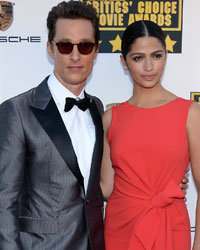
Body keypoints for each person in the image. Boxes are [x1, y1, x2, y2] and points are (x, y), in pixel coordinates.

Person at [0, 1, 105, 250]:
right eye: (66, 45)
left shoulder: (97, 108)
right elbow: (5, 200)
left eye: (85, 45)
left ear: (96, 51)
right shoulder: (17, 110)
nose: (76, 55)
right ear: (50, 48)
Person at [100, 20, 200, 250]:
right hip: (119, 228)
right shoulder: (110, 118)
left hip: (170, 225)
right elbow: (105, 188)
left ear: (166, 55)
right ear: (124, 62)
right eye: (138, 58)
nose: (149, 67)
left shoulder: (191, 113)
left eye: (156, 56)